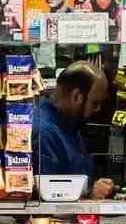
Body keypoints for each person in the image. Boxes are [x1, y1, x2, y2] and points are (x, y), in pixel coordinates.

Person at [34, 61, 114, 199]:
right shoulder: (44, 132)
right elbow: (46, 197)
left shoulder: (70, 124)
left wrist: (93, 187)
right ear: (77, 97)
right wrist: (89, 193)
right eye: (94, 103)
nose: (98, 109)